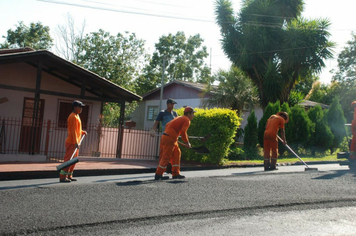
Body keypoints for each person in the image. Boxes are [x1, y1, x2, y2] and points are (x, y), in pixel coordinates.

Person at [154, 106, 196, 180]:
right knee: (166, 156)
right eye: (193, 113)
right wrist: (187, 143)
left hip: (169, 137)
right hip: (170, 138)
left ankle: (176, 173)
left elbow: (167, 125)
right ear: (189, 113)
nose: (193, 115)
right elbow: (183, 132)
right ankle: (158, 174)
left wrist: (172, 135)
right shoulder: (186, 120)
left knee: (177, 153)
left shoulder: (179, 117)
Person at [59, 100, 87, 183]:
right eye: (80, 107)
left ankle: (69, 175)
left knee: (74, 160)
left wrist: (82, 132)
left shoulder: (77, 116)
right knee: (68, 160)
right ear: (75, 107)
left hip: (76, 142)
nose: (81, 109)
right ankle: (62, 177)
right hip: (72, 142)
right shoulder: (73, 117)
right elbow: (73, 131)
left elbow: (77, 129)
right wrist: (76, 142)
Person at [150, 98, 178, 173]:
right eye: (171, 104)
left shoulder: (175, 114)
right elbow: (156, 123)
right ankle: (161, 169)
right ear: (168, 104)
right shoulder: (162, 113)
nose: (173, 105)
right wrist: (153, 130)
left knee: (173, 153)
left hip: (173, 136)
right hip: (165, 136)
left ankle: (170, 169)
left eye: (173, 104)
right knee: (164, 153)